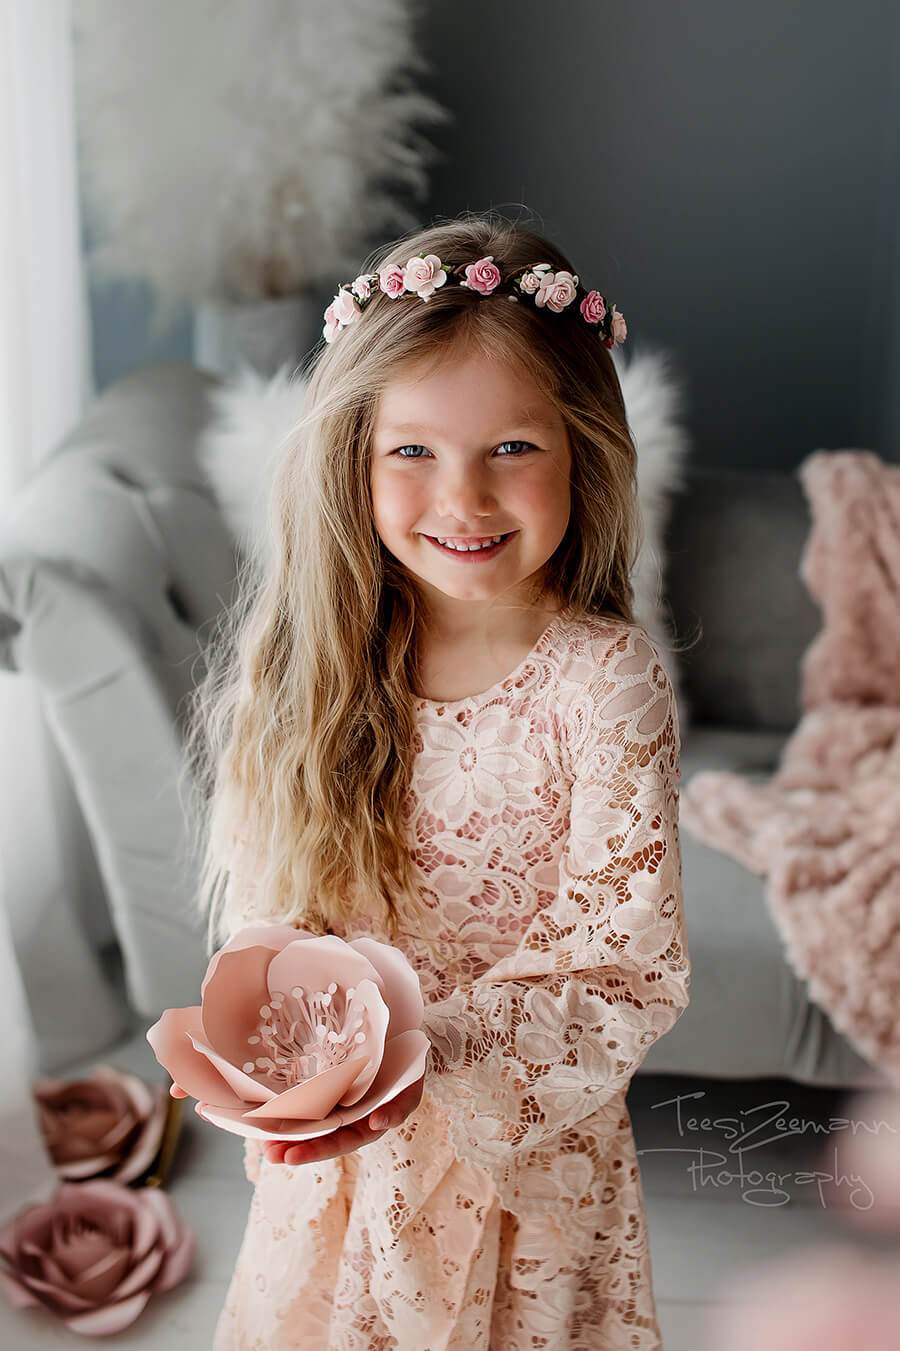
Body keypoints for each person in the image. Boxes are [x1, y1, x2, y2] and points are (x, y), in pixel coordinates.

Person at [178, 210, 691, 1349]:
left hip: (529, 1180)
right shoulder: (303, 673)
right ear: (351, 460)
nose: (463, 499)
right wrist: (293, 1067)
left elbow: (624, 965)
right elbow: (273, 914)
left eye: (512, 448)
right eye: (412, 450)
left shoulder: (604, 683)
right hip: (343, 1173)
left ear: (583, 452)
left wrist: (418, 1052)